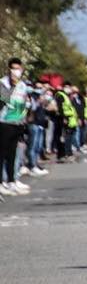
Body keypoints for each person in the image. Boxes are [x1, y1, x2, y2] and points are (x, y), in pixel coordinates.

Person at [0, 58, 32, 198]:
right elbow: (4, 99)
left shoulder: (23, 85)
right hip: (4, 122)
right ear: (9, 69)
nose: (16, 71)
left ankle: (12, 180)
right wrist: (12, 84)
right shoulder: (3, 83)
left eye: (18, 69)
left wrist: (24, 119)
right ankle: (1, 182)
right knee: (2, 154)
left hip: (17, 123)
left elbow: (24, 102)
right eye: (13, 68)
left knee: (12, 154)